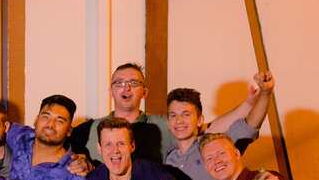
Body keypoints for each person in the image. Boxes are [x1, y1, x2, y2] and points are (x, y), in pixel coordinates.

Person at [70, 63, 259, 164]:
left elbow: (211, 128)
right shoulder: (90, 129)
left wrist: (249, 104)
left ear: (144, 92)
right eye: (119, 83)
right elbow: (59, 150)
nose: (126, 87)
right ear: (111, 92)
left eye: (134, 83)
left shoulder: (164, 125)